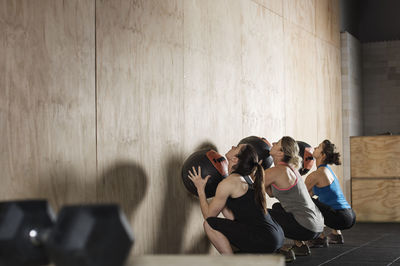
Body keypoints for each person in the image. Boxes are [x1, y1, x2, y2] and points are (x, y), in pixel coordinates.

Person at [188, 143, 284, 254]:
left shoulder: (230, 182)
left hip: (265, 238)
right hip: (276, 235)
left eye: (237, 147)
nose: (233, 146)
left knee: (208, 225)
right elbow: (233, 218)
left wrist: (200, 189)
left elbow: (208, 217)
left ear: (234, 159)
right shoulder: (245, 179)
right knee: (229, 227)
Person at [264, 136, 324, 262]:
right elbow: (271, 194)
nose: (273, 143)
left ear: (281, 152)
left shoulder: (277, 171)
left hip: (307, 227)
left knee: (262, 215)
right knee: (277, 207)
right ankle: (300, 246)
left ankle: (282, 250)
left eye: (277, 143)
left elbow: (252, 188)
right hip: (317, 226)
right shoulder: (292, 169)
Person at [305, 140, 356, 247]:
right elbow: (314, 194)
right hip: (349, 215)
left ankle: (320, 237)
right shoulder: (328, 171)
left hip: (340, 217)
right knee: (319, 201)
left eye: (318, 147)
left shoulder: (318, 174)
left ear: (322, 155)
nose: (314, 148)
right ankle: (336, 235)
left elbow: (302, 197)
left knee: (306, 202)